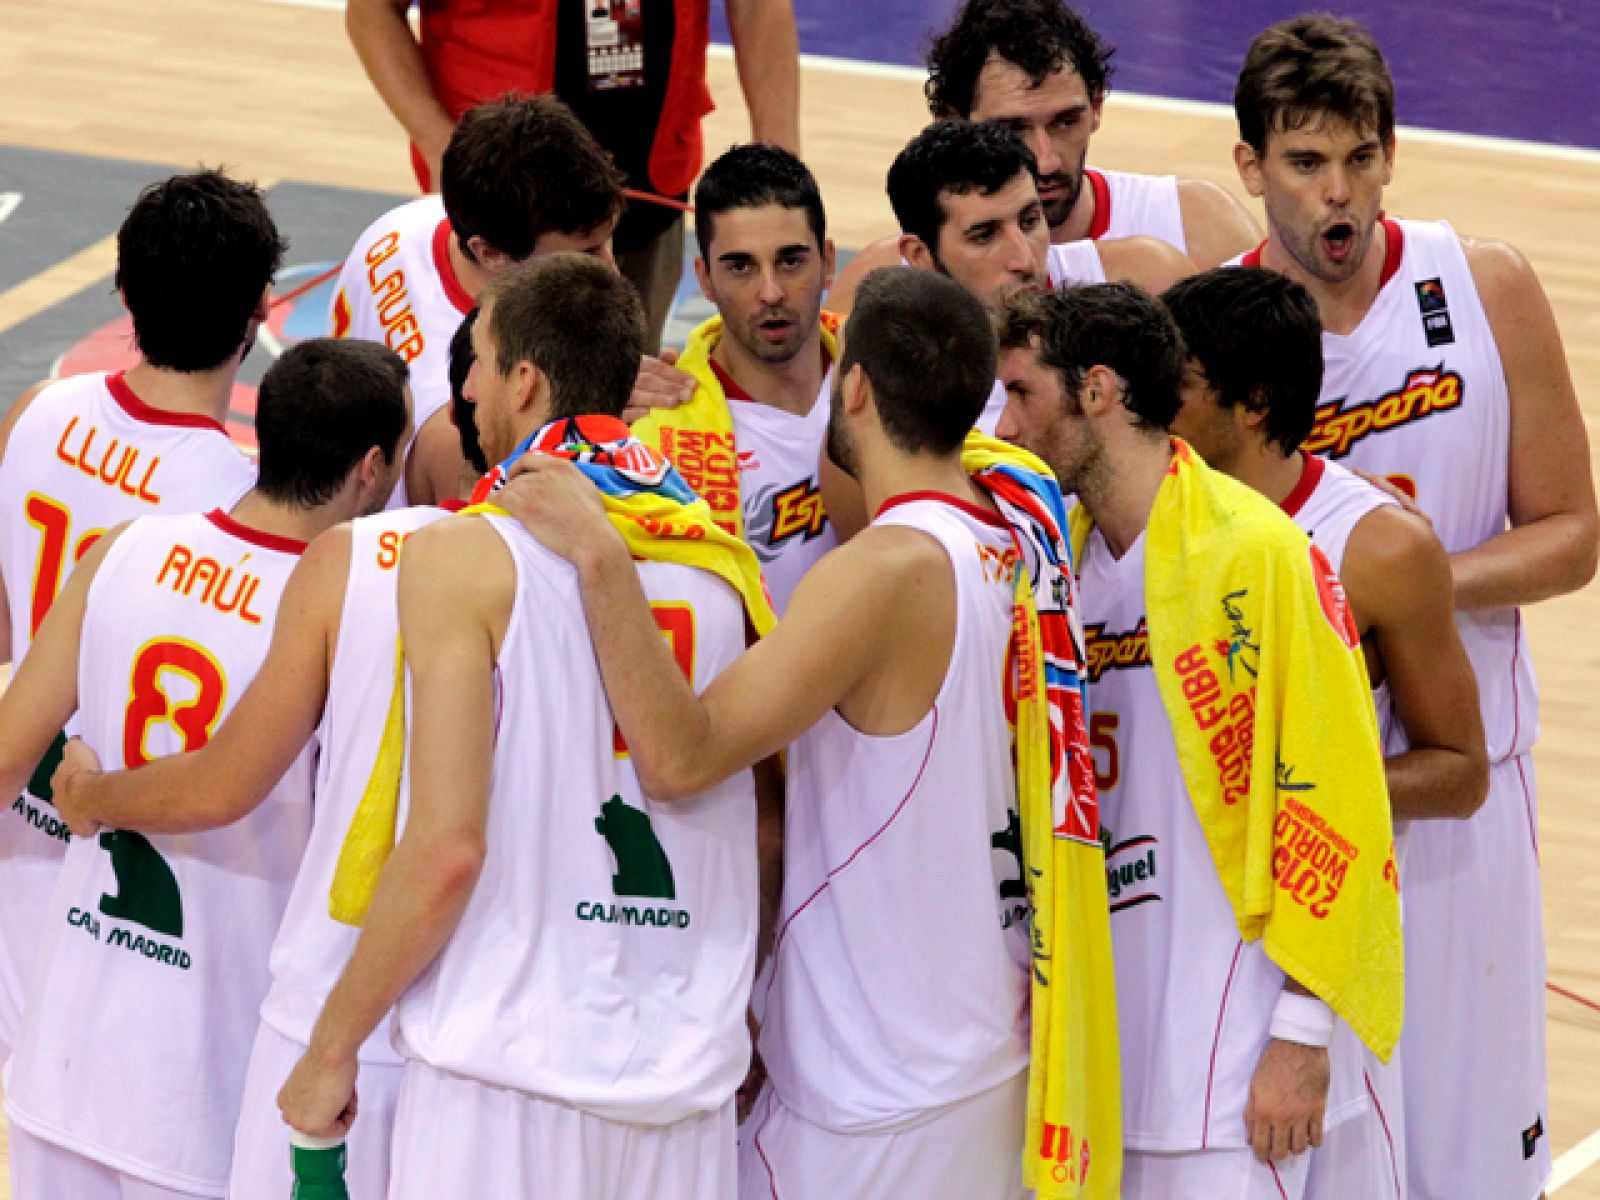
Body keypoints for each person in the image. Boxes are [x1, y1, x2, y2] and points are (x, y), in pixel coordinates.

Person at [493, 267, 1123, 1200]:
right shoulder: (1022, 536)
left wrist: (598, 554)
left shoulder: (887, 570)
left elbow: (680, 757)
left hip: (880, 1081)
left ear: (853, 387)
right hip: (981, 1041)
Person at [48, 261, 638, 1200]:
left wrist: (85, 794)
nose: (464, 391)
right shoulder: (666, 560)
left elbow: (225, 779)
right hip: (514, 1025)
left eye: (478, 368)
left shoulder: (346, 558)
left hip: (332, 1002)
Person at [276, 254, 774, 1200]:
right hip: (682, 1092)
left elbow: (446, 849)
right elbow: (765, 821)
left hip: (505, 1080)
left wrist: (331, 1045)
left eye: (477, 359)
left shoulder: (462, 553)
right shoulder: (720, 563)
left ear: (526, 382)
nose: (464, 387)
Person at [1230, 18, 1598, 1198]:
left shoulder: (1484, 285)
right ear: (1249, 168)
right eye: (1303, 163)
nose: (1336, 193)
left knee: (1474, 1163)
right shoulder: (1218, 336)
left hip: (1458, 794)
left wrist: (1415, 592)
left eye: (1359, 158)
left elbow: (1571, 531)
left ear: (1390, 155)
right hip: (1294, 815)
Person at [994, 282, 1403, 1198]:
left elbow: (1338, 789)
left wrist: (1302, 1032)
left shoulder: (1258, 553)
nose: (1007, 425)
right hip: (1104, 1048)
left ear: (1096, 390)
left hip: (1236, 1067)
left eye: (1022, 393)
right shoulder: (1053, 569)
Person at [0, 338, 411, 1200]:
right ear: (372, 468)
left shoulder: (124, 549)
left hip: (66, 1046)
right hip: (209, 1074)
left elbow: (5, 756)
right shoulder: (356, 613)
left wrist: (84, 793)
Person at [0, 169, 281, 1066]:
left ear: (123, 292)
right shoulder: (238, 503)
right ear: (261, 309)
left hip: (15, 816)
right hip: (132, 859)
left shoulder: (36, 413)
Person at [345, 0, 801, 350]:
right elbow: (372, 10)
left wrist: (780, 166)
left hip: (651, 180)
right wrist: (439, 145)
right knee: (498, 387)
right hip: (510, 205)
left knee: (627, 385)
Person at [330, 93, 626, 508]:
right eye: (587, 254)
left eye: (607, 242)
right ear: (490, 254)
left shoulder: (408, 222)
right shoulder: (470, 410)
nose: (611, 270)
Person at [633, 143, 836, 614]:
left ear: (827, 261)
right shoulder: (655, 437)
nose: (771, 292)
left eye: (791, 261)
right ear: (704, 278)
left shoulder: (887, 375)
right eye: (740, 267)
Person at [925, 0, 1259, 266]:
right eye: (1011, 130)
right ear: (951, 127)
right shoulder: (920, 272)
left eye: (1065, 122)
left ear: (1096, 106)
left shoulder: (1198, 229)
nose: (1046, 162)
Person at [828, 119, 1192, 327]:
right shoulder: (869, 332)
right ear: (919, 255)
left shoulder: (1150, 284)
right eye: (984, 236)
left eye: (1030, 221)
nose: (1024, 260)